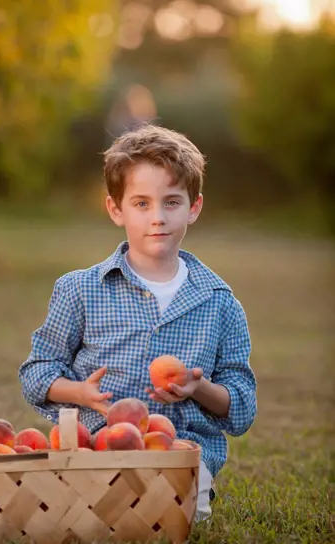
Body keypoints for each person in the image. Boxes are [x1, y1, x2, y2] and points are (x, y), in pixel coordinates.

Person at [19, 124, 257, 522]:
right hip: (95, 455)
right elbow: (37, 371)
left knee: (165, 517)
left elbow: (242, 408)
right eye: (142, 203)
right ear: (116, 209)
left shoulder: (220, 303)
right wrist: (80, 393)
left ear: (194, 207)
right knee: (89, 517)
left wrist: (199, 388)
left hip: (179, 460)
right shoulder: (79, 290)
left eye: (172, 202)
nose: (158, 217)